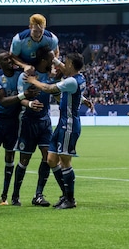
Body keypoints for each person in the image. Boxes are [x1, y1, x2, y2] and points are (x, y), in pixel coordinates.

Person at [25, 51, 92, 209]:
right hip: (62, 124)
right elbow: (63, 67)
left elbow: (48, 88)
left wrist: (33, 81)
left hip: (69, 125)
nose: (63, 65)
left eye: (65, 62)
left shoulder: (72, 81)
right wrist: (53, 57)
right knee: (51, 159)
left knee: (65, 162)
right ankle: (66, 194)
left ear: (70, 65)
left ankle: (70, 199)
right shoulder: (78, 77)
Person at [0, 52, 38, 206]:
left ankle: (4, 195)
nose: (9, 61)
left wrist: (24, 66)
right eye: (5, 59)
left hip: (14, 122)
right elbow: (3, 101)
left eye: (10, 58)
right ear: (0, 63)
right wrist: (23, 95)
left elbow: (31, 70)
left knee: (10, 157)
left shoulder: (20, 75)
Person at [8, 46, 55, 207]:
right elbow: (20, 98)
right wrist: (29, 103)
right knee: (24, 160)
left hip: (45, 122)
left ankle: (39, 195)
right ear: (43, 60)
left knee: (47, 157)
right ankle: (15, 195)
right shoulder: (26, 75)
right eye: (51, 59)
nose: (53, 62)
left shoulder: (51, 75)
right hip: (28, 121)